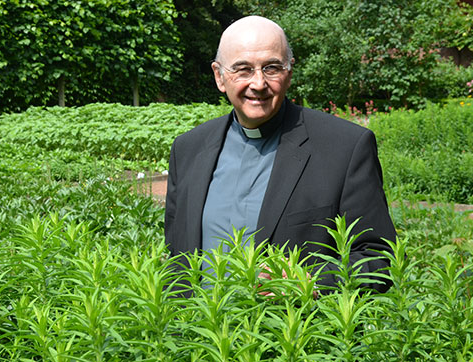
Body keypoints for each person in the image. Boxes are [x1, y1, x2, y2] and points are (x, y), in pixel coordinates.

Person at [164, 16, 396, 293]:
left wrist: (304, 280)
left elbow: (380, 260)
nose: (259, 83)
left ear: (290, 72)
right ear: (219, 76)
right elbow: (177, 257)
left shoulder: (344, 147)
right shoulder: (188, 149)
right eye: (243, 70)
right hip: (202, 332)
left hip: (293, 332)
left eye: (271, 68)